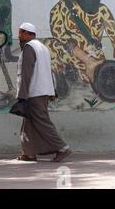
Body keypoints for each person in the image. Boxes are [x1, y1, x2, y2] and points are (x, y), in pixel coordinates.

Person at [44, 0, 115, 97]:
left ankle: (73, 70)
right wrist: (88, 62)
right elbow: (62, 38)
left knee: (93, 81)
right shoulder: (62, 7)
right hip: (71, 52)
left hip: (94, 56)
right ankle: (59, 73)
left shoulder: (102, 10)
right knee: (48, 46)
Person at [15, 22, 72, 162]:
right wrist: (52, 90)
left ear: (28, 34)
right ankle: (29, 153)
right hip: (42, 91)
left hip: (34, 92)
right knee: (29, 122)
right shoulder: (42, 47)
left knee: (41, 122)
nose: (19, 35)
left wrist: (22, 96)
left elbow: (26, 73)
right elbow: (48, 71)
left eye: (21, 32)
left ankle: (62, 148)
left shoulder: (29, 47)